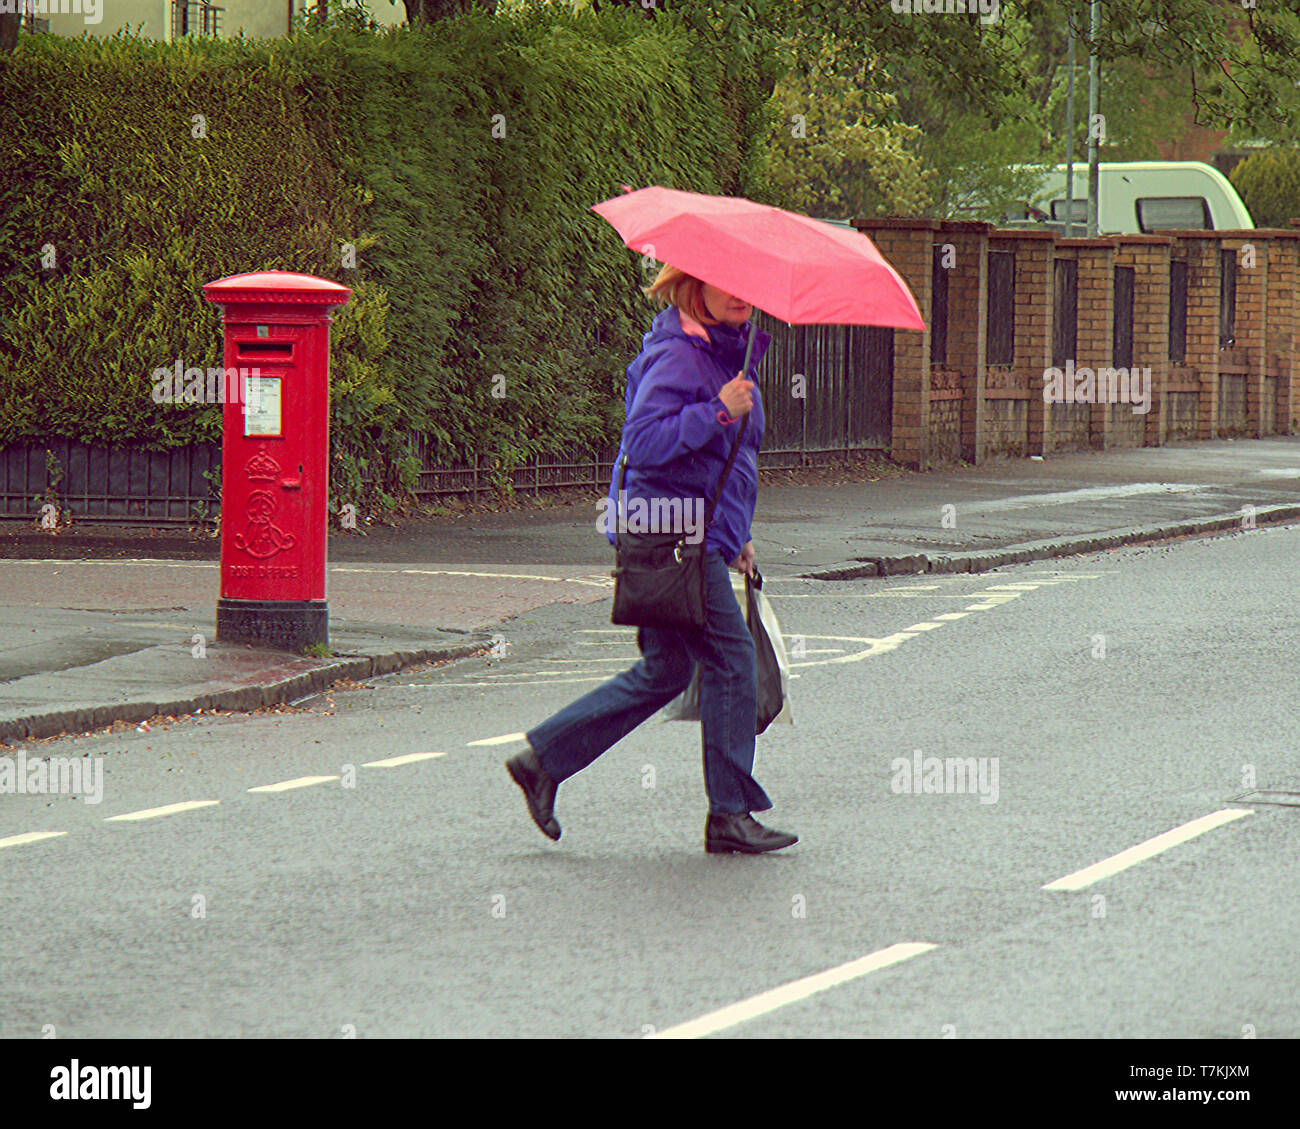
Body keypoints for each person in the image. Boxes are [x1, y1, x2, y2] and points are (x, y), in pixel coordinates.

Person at [505, 265, 797, 854]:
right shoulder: (681, 356)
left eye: (746, 285)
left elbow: (726, 462)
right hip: (672, 536)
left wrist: (735, 534)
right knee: (733, 661)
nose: (741, 292)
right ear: (695, 288)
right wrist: (716, 410)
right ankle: (729, 815)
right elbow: (643, 444)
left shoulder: (724, 356)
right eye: (726, 283)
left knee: (666, 670)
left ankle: (542, 760)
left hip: (696, 534)